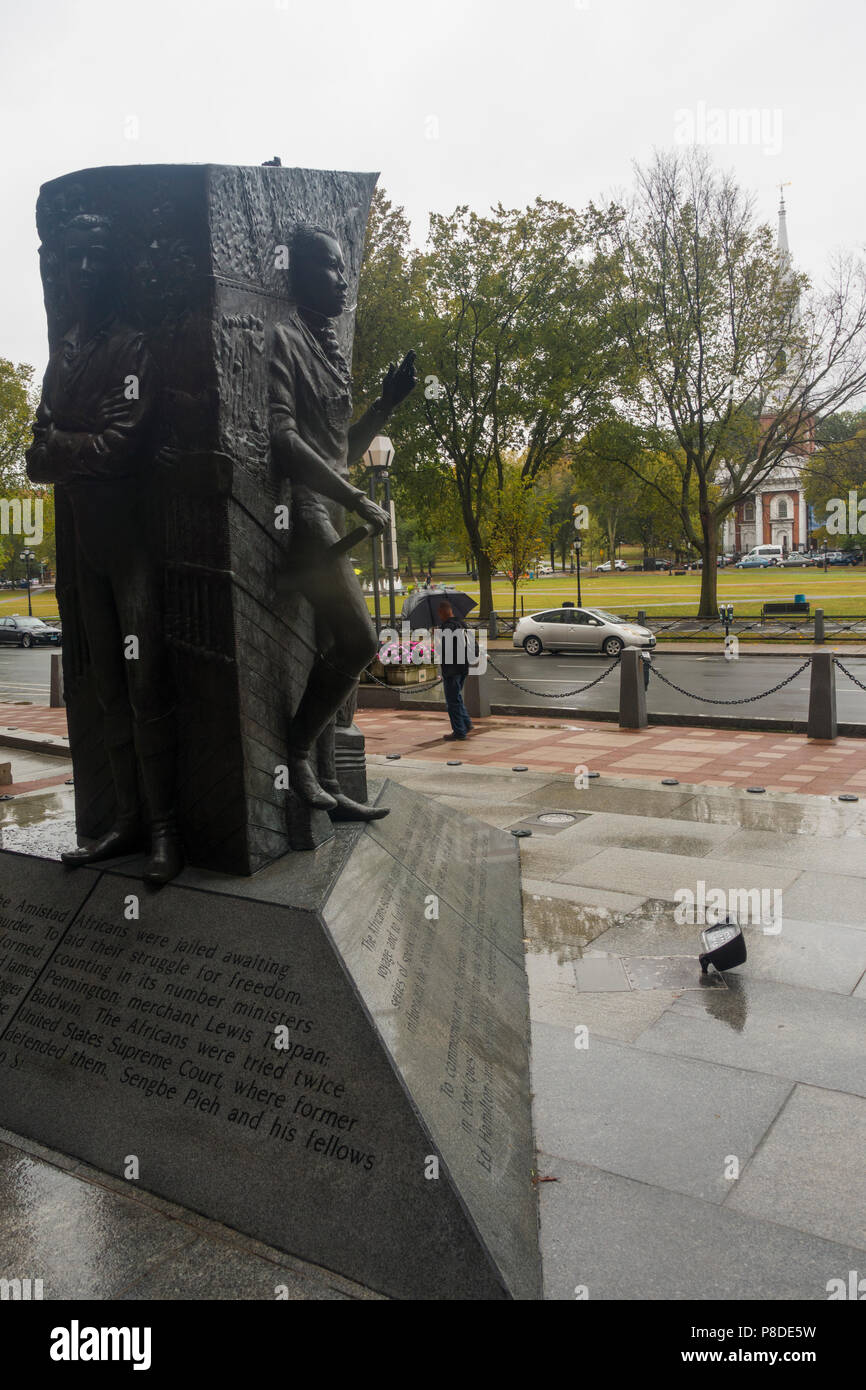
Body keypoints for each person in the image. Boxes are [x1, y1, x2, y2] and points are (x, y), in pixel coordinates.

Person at [26, 211, 182, 884]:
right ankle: (127, 821)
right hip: (85, 561)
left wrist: (65, 445)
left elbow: (123, 445)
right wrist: (67, 447)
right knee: (109, 695)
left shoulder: (131, 347)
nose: (83, 271)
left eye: (96, 257)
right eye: (73, 259)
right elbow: (33, 460)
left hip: (129, 558)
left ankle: (169, 834)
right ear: (59, 268)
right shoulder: (61, 356)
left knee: (146, 690)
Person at [269, 223, 416, 817]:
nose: (342, 278)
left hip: (332, 515)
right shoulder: (284, 339)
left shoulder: (328, 352)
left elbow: (339, 454)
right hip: (305, 519)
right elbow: (282, 439)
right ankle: (298, 753)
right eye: (330, 266)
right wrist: (354, 500)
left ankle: (327, 786)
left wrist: (387, 402)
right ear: (300, 273)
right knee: (360, 638)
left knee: (332, 651)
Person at [437, 601, 473, 740]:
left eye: (439, 613)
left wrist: (438, 640)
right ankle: (466, 723)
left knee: (452, 701)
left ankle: (459, 731)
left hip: (451, 669)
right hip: (463, 666)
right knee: (456, 697)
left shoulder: (447, 628)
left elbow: (445, 651)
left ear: (442, 612)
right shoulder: (462, 624)